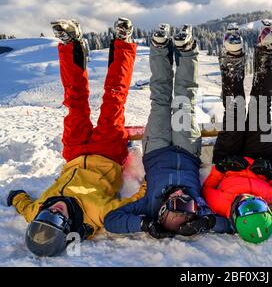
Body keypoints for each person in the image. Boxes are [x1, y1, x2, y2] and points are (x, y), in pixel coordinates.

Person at [6, 17, 145, 257]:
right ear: (67, 227)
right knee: (113, 99)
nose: (53, 211)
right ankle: (123, 43)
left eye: (44, 217)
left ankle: (71, 43)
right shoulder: (98, 212)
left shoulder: (37, 209)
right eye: (56, 220)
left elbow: (24, 205)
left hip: (74, 152)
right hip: (107, 153)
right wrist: (150, 181)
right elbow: (134, 202)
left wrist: (16, 196)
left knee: (74, 102)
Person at [104, 24, 229, 238]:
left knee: (160, 101)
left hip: (156, 149)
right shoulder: (201, 209)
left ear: (163, 209)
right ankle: (187, 49)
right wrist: (205, 223)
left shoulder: (149, 206)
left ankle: (159, 47)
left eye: (177, 202)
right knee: (184, 101)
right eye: (187, 204)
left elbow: (111, 221)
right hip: (186, 150)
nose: (182, 195)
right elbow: (227, 225)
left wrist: (144, 224)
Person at [202, 20, 272, 244]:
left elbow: (207, 189)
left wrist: (222, 168)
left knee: (235, 110)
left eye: (246, 207)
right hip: (260, 159)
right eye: (258, 205)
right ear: (266, 210)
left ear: (236, 214)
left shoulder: (220, 206)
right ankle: (268, 52)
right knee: (261, 107)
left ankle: (232, 58)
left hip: (228, 159)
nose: (250, 199)